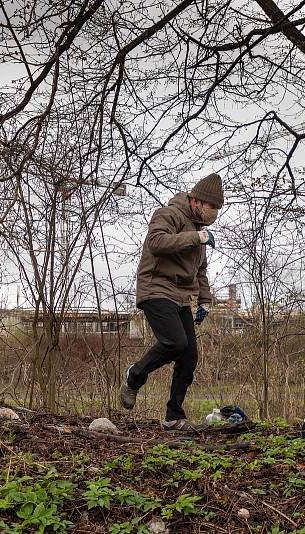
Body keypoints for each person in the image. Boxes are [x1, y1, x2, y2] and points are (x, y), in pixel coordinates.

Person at [119, 172, 224, 430]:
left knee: (189, 356)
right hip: (155, 287)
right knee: (175, 342)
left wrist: (204, 301)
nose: (214, 214)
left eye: (218, 210)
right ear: (197, 201)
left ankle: (173, 417)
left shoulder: (200, 231)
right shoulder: (168, 214)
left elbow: (200, 271)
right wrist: (194, 238)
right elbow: (156, 242)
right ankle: (134, 376)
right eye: (212, 207)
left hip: (180, 297)